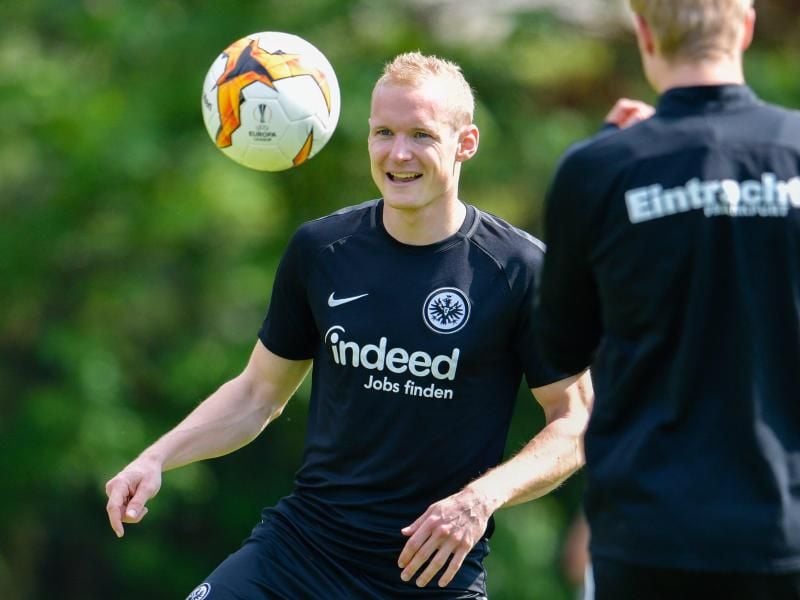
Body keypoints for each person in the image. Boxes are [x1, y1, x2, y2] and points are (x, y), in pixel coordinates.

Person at [105, 51, 593, 599]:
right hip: (300, 552)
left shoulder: (520, 271)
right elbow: (258, 393)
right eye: (383, 132)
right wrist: (157, 457)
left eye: (422, 135)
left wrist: (481, 499)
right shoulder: (321, 250)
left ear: (466, 143)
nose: (398, 153)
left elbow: (573, 425)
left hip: (429, 574)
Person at [535, 0, 800, 598]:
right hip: (786, 531)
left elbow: (559, 345)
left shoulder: (598, 168)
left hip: (649, 534)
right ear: (747, 29)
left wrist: (617, 158)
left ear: (646, 35)